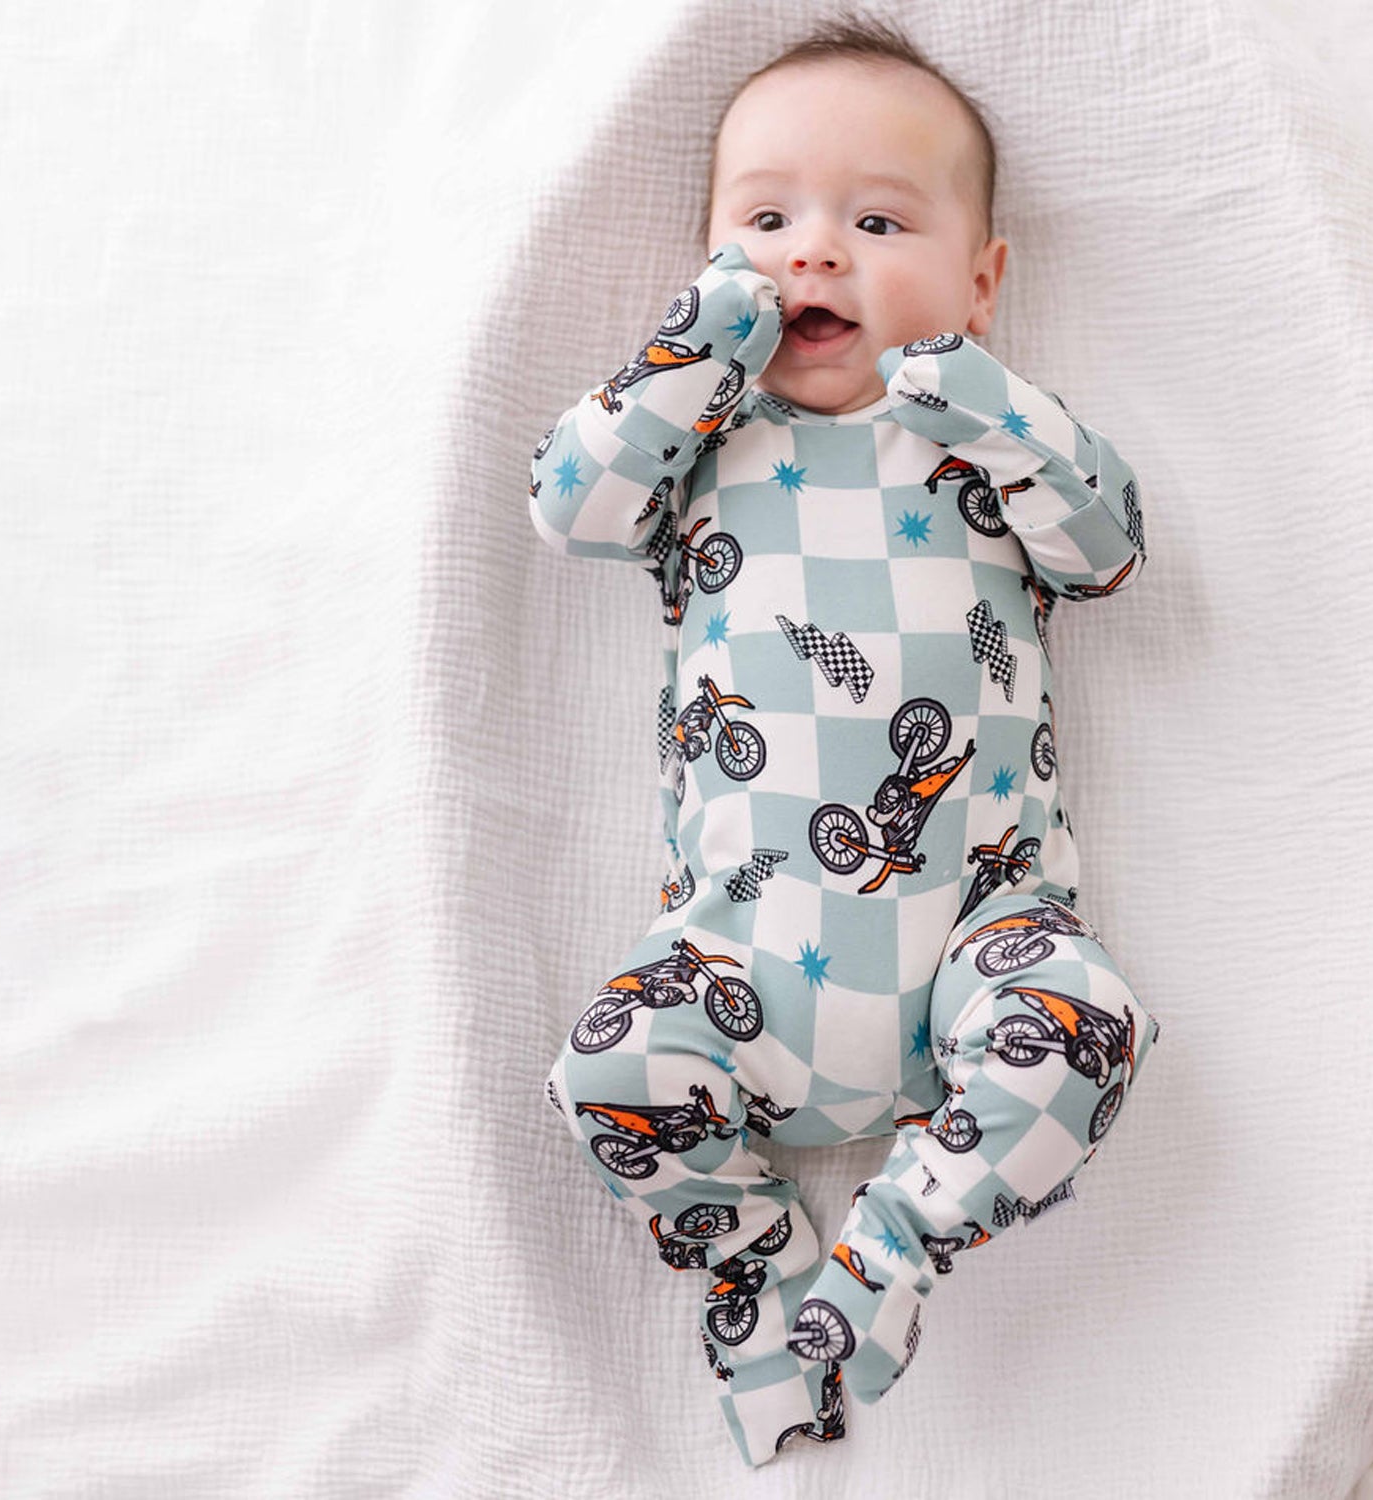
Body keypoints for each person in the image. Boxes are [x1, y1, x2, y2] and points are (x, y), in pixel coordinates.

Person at [530, 14, 1160, 1468]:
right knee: (607, 1073)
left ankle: (892, 1249)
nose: (814, 250)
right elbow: (570, 505)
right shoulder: (698, 441)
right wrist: (692, 353)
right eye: (766, 222)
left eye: (877, 222)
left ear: (981, 279)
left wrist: (991, 401)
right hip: (737, 958)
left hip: (981, 941)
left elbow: (1110, 549)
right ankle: (753, 1270)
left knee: (1092, 1030)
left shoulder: (980, 444)